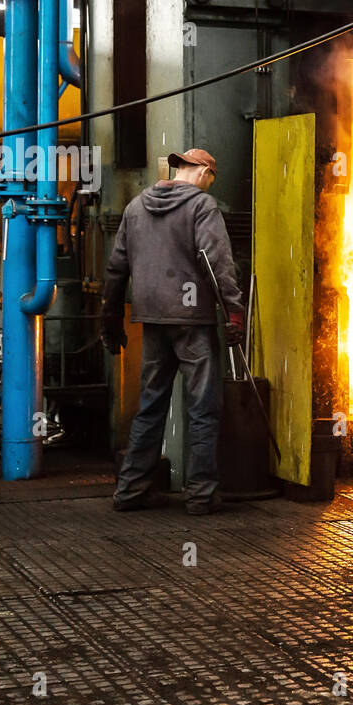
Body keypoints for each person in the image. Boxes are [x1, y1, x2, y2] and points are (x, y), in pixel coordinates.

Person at [101, 148, 243, 514]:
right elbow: (217, 262)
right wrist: (234, 313)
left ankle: (131, 490)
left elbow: (116, 268)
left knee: (150, 405)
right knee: (202, 407)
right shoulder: (202, 207)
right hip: (193, 321)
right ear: (204, 173)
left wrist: (111, 317)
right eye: (211, 179)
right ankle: (201, 495)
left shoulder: (135, 208)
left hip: (153, 319)